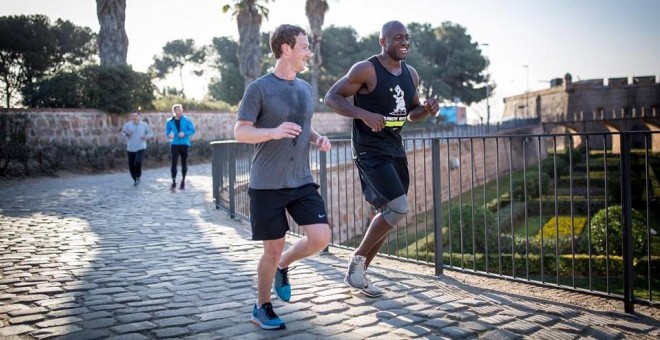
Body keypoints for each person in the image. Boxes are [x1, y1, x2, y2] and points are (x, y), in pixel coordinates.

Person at [324, 20, 439, 297]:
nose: (405, 42)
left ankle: (359, 273)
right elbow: (331, 97)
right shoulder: (366, 69)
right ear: (383, 41)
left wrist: (426, 109)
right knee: (399, 208)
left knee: (389, 213)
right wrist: (363, 114)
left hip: (394, 147)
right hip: (369, 149)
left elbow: (411, 113)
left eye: (407, 38)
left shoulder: (411, 74)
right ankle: (356, 262)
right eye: (398, 37)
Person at [234, 24, 332, 330]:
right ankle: (261, 306)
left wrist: (317, 138)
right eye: (304, 46)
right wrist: (273, 132)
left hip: (301, 179)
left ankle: (285, 265)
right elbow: (241, 131)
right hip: (266, 184)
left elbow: (304, 125)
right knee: (272, 248)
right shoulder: (259, 88)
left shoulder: (305, 89)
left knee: (321, 237)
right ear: (285, 49)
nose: (308, 53)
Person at [165, 104, 195, 190]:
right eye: (178, 110)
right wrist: (169, 135)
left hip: (184, 144)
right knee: (173, 163)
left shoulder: (187, 120)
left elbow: (192, 130)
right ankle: (173, 182)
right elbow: (167, 132)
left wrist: (184, 133)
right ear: (174, 111)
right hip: (174, 144)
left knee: (184, 163)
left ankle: (183, 181)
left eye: (181, 110)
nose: (180, 111)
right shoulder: (169, 121)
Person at [121, 111, 153, 186]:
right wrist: (126, 134)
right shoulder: (127, 125)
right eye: (132, 116)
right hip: (130, 147)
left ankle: (138, 176)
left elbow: (150, 133)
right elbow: (122, 134)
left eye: (136, 116)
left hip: (141, 146)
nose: (134, 117)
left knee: (137, 162)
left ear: (139, 116)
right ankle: (135, 179)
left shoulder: (144, 125)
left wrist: (146, 136)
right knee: (131, 165)